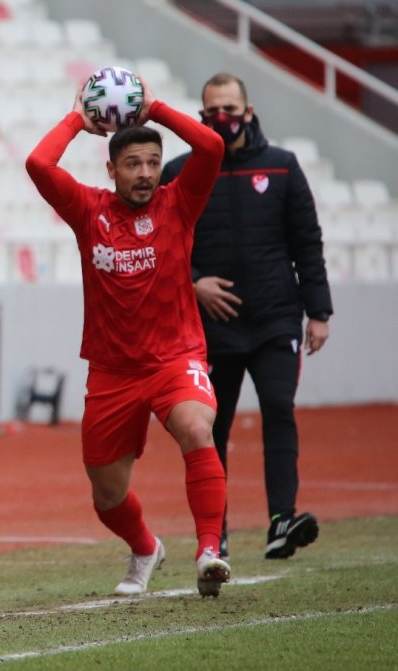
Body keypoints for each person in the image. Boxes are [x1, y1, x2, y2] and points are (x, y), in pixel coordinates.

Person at [26, 81, 231, 597]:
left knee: (195, 427)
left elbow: (211, 147)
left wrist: (156, 108)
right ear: (112, 170)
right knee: (107, 494)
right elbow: (38, 165)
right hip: (113, 370)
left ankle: (210, 549)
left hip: (175, 357)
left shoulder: (179, 203)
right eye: (133, 164)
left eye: (152, 162)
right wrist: (76, 119)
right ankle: (145, 548)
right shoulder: (87, 210)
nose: (144, 174)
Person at [160, 72, 332, 561]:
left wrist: (318, 311)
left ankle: (282, 520)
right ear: (201, 114)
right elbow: (162, 242)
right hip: (209, 328)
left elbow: (307, 242)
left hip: (276, 317)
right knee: (214, 427)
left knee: (279, 409)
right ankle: (218, 533)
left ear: (248, 112)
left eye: (231, 110)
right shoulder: (180, 170)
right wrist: (194, 283)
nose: (222, 119)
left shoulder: (282, 166)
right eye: (213, 110)